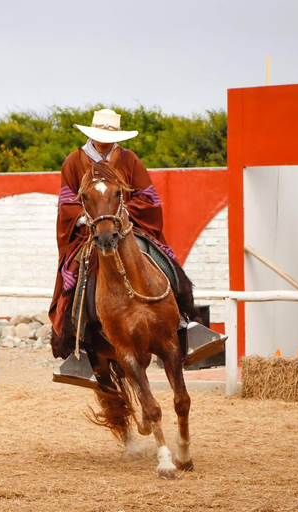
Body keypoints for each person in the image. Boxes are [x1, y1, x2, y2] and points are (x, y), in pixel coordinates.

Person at [50, 109, 214, 375]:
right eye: (99, 136)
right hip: (89, 230)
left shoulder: (129, 160)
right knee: (73, 275)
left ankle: (186, 324)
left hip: (127, 227)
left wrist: (121, 215)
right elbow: (66, 202)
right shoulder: (73, 161)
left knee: (166, 261)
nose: (103, 142)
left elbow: (149, 200)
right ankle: (77, 343)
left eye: (108, 137)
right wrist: (86, 218)